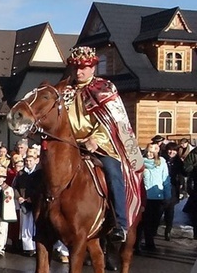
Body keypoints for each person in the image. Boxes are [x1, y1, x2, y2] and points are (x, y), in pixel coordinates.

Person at [63, 46, 144, 242]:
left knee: (113, 171)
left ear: (93, 67)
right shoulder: (64, 90)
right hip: (69, 145)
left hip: (101, 145)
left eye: (83, 67)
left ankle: (121, 223)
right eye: (75, 68)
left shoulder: (104, 88)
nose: (78, 72)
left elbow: (113, 121)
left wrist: (94, 139)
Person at [137, 143, 171, 251]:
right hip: (145, 197)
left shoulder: (161, 162)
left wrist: (167, 195)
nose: (150, 154)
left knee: (154, 222)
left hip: (158, 196)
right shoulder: (141, 162)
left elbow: (166, 179)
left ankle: (149, 241)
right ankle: (143, 244)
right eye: (148, 151)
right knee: (144, 221)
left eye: (152, 152)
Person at [14, 148, 41, 257]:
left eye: (31, 160)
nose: (28, 163)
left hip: (35, 202)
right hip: (24, 202)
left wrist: (33, 197)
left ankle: (36, 247)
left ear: (36, 160)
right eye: (27, 161)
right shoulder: (21, 173)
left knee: (35, 224)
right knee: (25, 224)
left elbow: (40, 188)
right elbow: (15, 187)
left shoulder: (39, 173)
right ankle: (27, 247)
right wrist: (19, 197)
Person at [163, 142, 184, 240]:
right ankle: (152, 231)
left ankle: (168, 231)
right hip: (161, 187)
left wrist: (181, 185)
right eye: (170, 150)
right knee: (158, 210)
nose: (172, 152)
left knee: (170, 210)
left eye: (174, 150)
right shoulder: (162, 159)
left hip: (173, 188)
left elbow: (183, 173)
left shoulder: (178, 162)